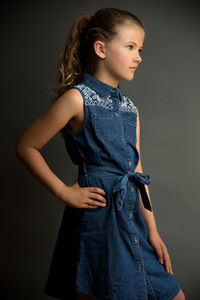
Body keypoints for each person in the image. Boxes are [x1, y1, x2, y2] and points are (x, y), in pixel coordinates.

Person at [15, 7, 186, 300]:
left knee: (171, 294)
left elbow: (137, 174)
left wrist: (153, 232)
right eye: (130, 47)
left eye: (140, 49)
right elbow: (26, 146)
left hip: (132, 219)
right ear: (100, 49)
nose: (139, 57)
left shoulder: (130, 108)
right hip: (98, 222)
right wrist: (64, 192)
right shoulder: (76, 99)